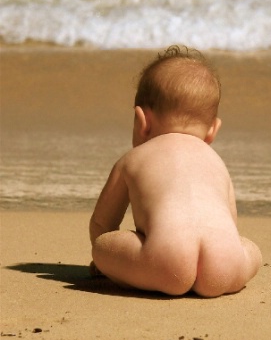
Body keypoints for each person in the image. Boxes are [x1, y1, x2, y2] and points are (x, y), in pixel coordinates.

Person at [89, 45, 262, 297]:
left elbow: (102, 223)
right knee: (249, 248)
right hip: (223, 269)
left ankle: (147, 274)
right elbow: (230, 224)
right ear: (213, 130)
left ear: (141, 121)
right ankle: (228, 268)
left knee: (103, 247)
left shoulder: (133, 159)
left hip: (165, 266)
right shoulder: (217, 162)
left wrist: (106, 261)